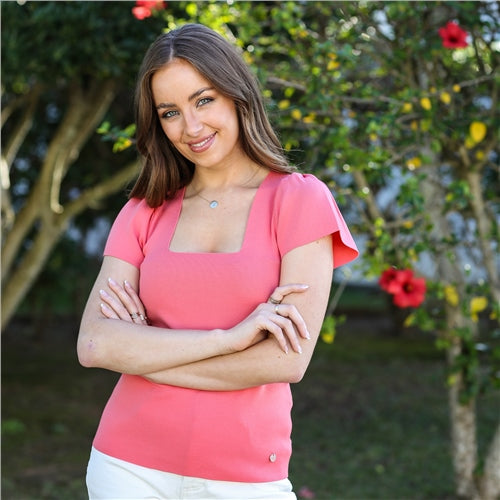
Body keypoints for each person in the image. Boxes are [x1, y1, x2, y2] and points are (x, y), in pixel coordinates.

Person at [77, 23, 358, 500]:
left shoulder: (299, 200)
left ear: (236, 93)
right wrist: (227, 340)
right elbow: (96, 344)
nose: (190, 127)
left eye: (203, 100)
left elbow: (284, 359)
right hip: (125, 466)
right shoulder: (145, 208)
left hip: (245, 476)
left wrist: (144, 354)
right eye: (170, 112)